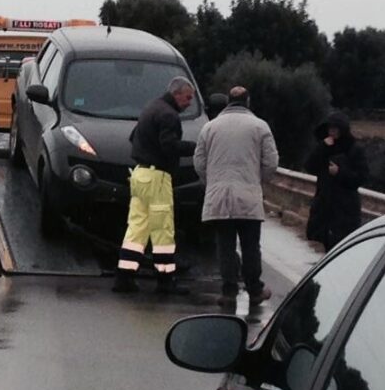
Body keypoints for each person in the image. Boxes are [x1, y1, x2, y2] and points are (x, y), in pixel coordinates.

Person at [193, 86, 279, 307]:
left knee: (225, 246)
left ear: (228, 102)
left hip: (219, 196)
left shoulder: (209, 128)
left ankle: (229, 291)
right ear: (247, 102)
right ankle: (254, 289)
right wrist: (257, 180)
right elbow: (271, 163)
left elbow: (199, 163)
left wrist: (211, 181)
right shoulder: (260, 126)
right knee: (251, 246)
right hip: (248, 195)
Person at [113, 76, 197, 295]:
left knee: (137, 228)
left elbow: (134, 138)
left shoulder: (150, 108)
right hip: (157, 177)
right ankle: (165, 280)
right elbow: (169, 146)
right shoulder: (169, 116)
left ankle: (124, 277)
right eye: (188, 97)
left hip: (139, 174)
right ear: (176, 94)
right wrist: (196, 148)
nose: (189, 102)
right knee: (163, 230)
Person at [304, 111, 368, 252]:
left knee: (341, 247)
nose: (332, 132)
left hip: (345, 209)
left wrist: (339, 173)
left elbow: (361, 177)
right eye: (330, 128)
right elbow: (310, 166)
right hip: (324, 205)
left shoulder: (354, 150)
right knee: (323, 243)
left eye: (335, 129)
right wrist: (322, 148)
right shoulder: (324, 147)